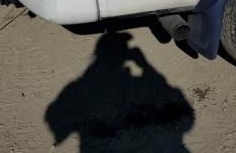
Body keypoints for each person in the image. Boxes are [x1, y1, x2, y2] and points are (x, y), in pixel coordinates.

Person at [45, 32, 194, 152]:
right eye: (124, 48)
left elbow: (54, 116)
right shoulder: (90, 85)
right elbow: (186, 118)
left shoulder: (79, 86)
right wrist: (145, 66)